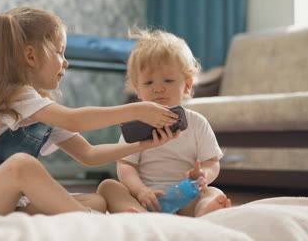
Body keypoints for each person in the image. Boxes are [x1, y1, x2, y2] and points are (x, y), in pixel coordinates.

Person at [0, 7, 180, 218]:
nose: (66, 62)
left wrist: (142, 144)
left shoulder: (43, 110)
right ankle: (90, 221)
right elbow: (74, 120)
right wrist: (137, 109)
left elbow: (90, 154)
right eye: (60, 52)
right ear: (31, 56)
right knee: (22, 165)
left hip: (8, 201)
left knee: (97, 199)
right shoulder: (15, 95)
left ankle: (80, 213)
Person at [97, 29, 231, 217]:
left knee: (212, 192)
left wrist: (203, 176)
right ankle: (138, 214)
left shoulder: (198, 123)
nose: (158, 88)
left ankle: (204, 209)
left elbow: (212, 162)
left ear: (188, 84)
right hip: (145, 199)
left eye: (168, 80)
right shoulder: (136, 126)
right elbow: (126, 166)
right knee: (108, 186)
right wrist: (140, 191)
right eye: (149, 82)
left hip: (186, 196)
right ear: (138, 89)